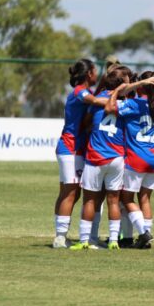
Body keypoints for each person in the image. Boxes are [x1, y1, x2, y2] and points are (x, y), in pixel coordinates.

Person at [70, 67, 154, 250]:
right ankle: (115, 240)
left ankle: (85, 240)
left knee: (93, 200)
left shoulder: (121, 104)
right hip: (125, 157)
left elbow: (100, 114)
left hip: (102, 156)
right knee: (121, 200)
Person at [105, 70, 154, 249]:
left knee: (127, 199)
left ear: (141, 85)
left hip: (137, 157)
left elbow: (112, 107)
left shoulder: (134, 104)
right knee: (144, 199)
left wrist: (119, 90)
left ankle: (144, 233)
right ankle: (146, 239)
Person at [53, 58, 106, 249]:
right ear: (88, 74)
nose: (96, 74)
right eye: (94, 71)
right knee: (70, 193)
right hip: (70, 149)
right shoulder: (79, 92)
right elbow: (96, 100)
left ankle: (61, 235)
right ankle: (60, 238)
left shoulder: (87, 92)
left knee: (70, 194)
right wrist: (118, 96)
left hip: (75, 149)